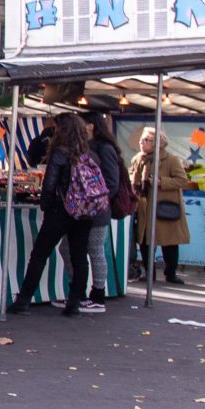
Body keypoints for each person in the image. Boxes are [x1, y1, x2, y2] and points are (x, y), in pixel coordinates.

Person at [8, 113, 99, 317]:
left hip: (61, 210)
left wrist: (45, 206)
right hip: (84, 212)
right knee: (79, 257)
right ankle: (74, 303)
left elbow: (49, 185)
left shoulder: (59, 153)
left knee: (40, 254)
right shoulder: (89, 154)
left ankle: (24, 300)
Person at [52, 113, 122, 312]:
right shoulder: (84, 147)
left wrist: (93, 198)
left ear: (91, 125)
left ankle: (98, 295)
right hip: (81, 211)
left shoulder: (104, 149)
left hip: (96, 210)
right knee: (69, 249)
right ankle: (77, 293)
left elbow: (112, 183)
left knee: (94, 249)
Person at [129, 127, 193, 284]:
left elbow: (182, 181)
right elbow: (132, 175)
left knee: (169, 241)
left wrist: (161, 182)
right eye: (141, 140)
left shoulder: (171, 159)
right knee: (144, 241)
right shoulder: (138, 158)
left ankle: (171, 273)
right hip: (144, 206)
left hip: (163, 207)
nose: (142, 143)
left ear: (158, 144)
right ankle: (149, 273)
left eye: (146, 140)